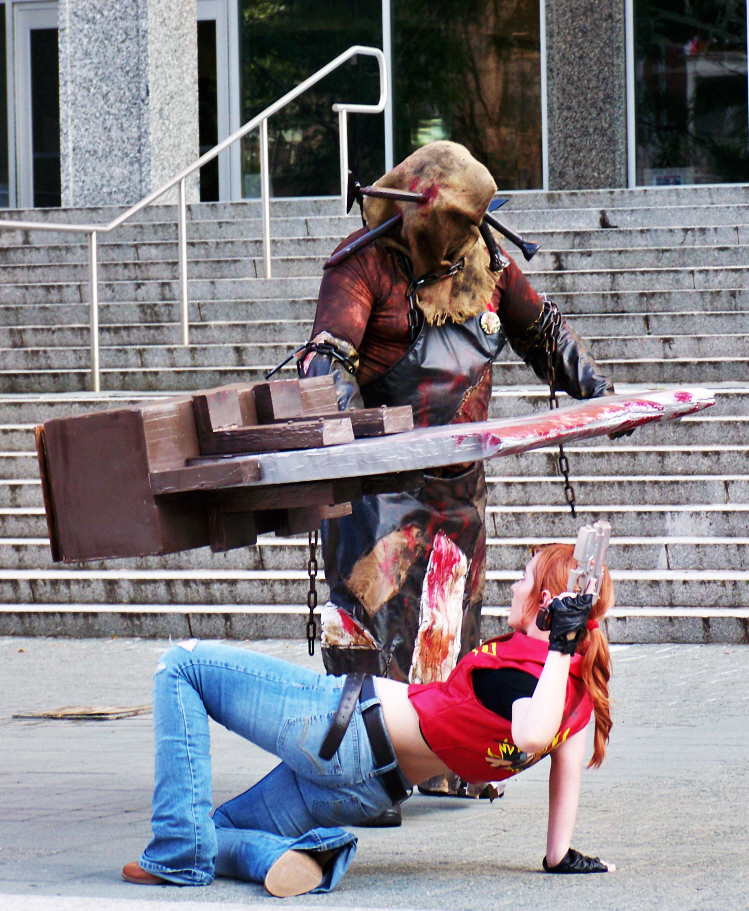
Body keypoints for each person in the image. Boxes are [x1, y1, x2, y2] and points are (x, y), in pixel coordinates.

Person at [297, 140, 615, 809]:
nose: (466, 238)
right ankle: (360, 772)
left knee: (448, 626)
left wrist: (596, 391)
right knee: (371, 629)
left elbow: (542, 332)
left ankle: (442, 761)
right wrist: (351, 447)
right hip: (381, 486)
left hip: (459, 487)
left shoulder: (485, 260)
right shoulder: (363, 264)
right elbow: (328, 363)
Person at [121, 543, 615, 897]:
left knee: (181, 665)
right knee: (219, 828)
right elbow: (561, 775)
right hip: (371, 790)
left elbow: (529, 733)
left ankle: (177, 853)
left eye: (524, 578)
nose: (513, 585)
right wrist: (559, 856)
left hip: (342, 727)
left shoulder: (522, 675)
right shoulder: (576, 699)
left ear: (546, 603)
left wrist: (557, 644)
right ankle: (287, 857)